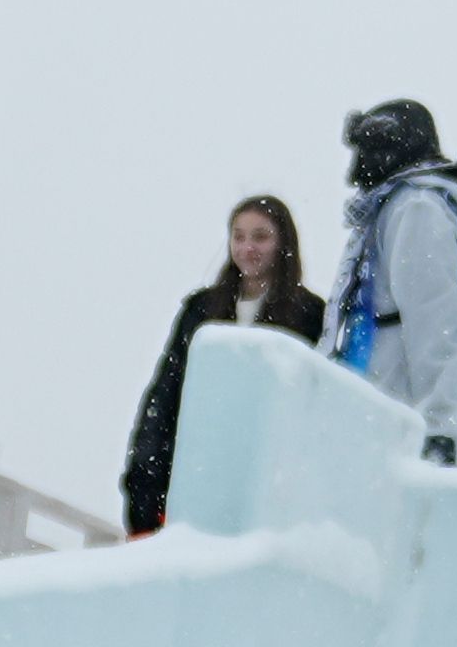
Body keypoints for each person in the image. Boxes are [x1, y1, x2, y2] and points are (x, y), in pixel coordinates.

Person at [121, 195, 323, 539]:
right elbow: (166, 394)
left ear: (283, 242)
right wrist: (144, 481)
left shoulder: (310, 315)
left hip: (264, 483)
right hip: (193, 471)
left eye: (260, 236)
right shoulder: (201, 309)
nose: (248, 247)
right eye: (239, 236)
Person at [340, 101, 457, 468]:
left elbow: (435, 319)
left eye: (369, 149)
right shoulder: (444, 205)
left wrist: (438, 424)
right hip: (415, 405)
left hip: (400, 412)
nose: (357, 170)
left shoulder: (417, 208)